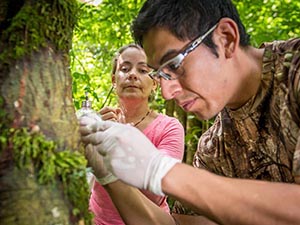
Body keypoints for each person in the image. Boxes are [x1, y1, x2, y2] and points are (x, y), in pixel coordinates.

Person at [79, 0, 300, 224]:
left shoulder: (295, 72)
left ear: (226, 39)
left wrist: (162, 171)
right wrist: (109, 174)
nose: (167, 92)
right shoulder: (214, 148)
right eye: (161, 75)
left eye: (174, 65)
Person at [85, 43, 185, 225]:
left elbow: (160, 185)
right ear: (113, 80)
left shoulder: (169, 127)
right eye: (125, 68)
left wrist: (123, 140)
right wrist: (90, 132)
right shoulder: (99, 122)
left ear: (155, 83)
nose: (132, 74)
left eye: (143, 70)